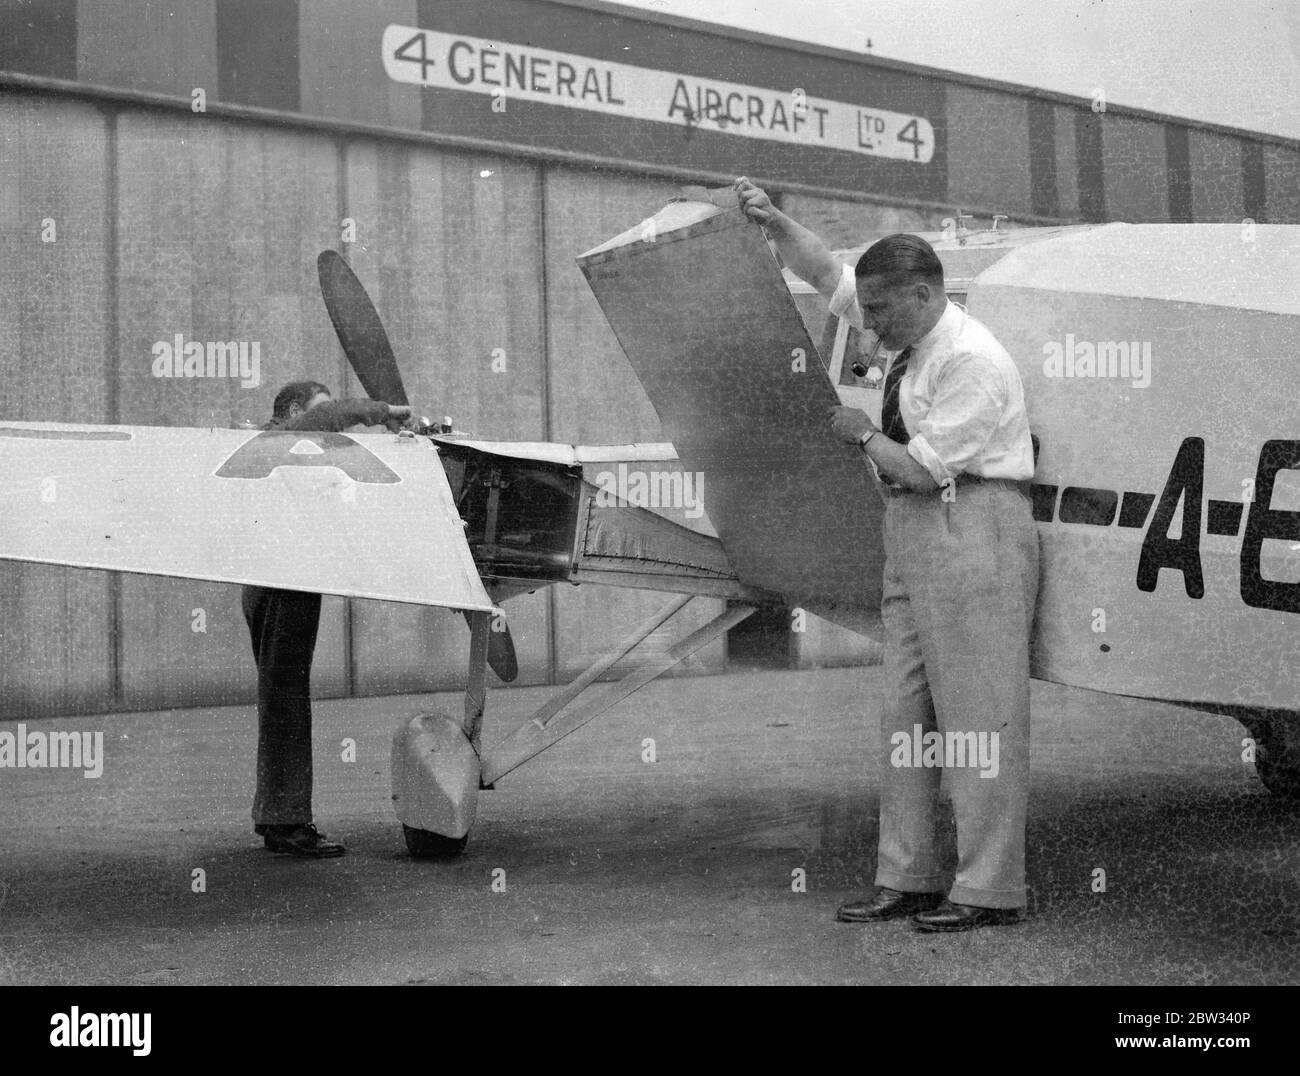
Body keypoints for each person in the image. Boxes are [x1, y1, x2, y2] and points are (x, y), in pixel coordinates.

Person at [736, 178, 1040, 931]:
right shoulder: (903, 330)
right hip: (911, 532)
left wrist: (856, 431)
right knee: (904, 717)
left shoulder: (973, 361)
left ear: (925, 295)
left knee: (978, 718)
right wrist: (775, 223)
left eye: (877, 311)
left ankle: (989, 888)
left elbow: (916, 466)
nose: (863, 326)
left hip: (973, 526)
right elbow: (826, 275)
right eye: (865, 310)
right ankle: (905, 877)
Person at [243, 380, 411, 858]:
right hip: (282, 582)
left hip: (287, 580)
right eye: (323, 408)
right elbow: (323, 421)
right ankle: (285, 821)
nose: (330, 418)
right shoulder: (282, 437)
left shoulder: (293, 452)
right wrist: (380, 410)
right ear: (295, 409)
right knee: (285, 700)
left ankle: (281, 816)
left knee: (285, 699)